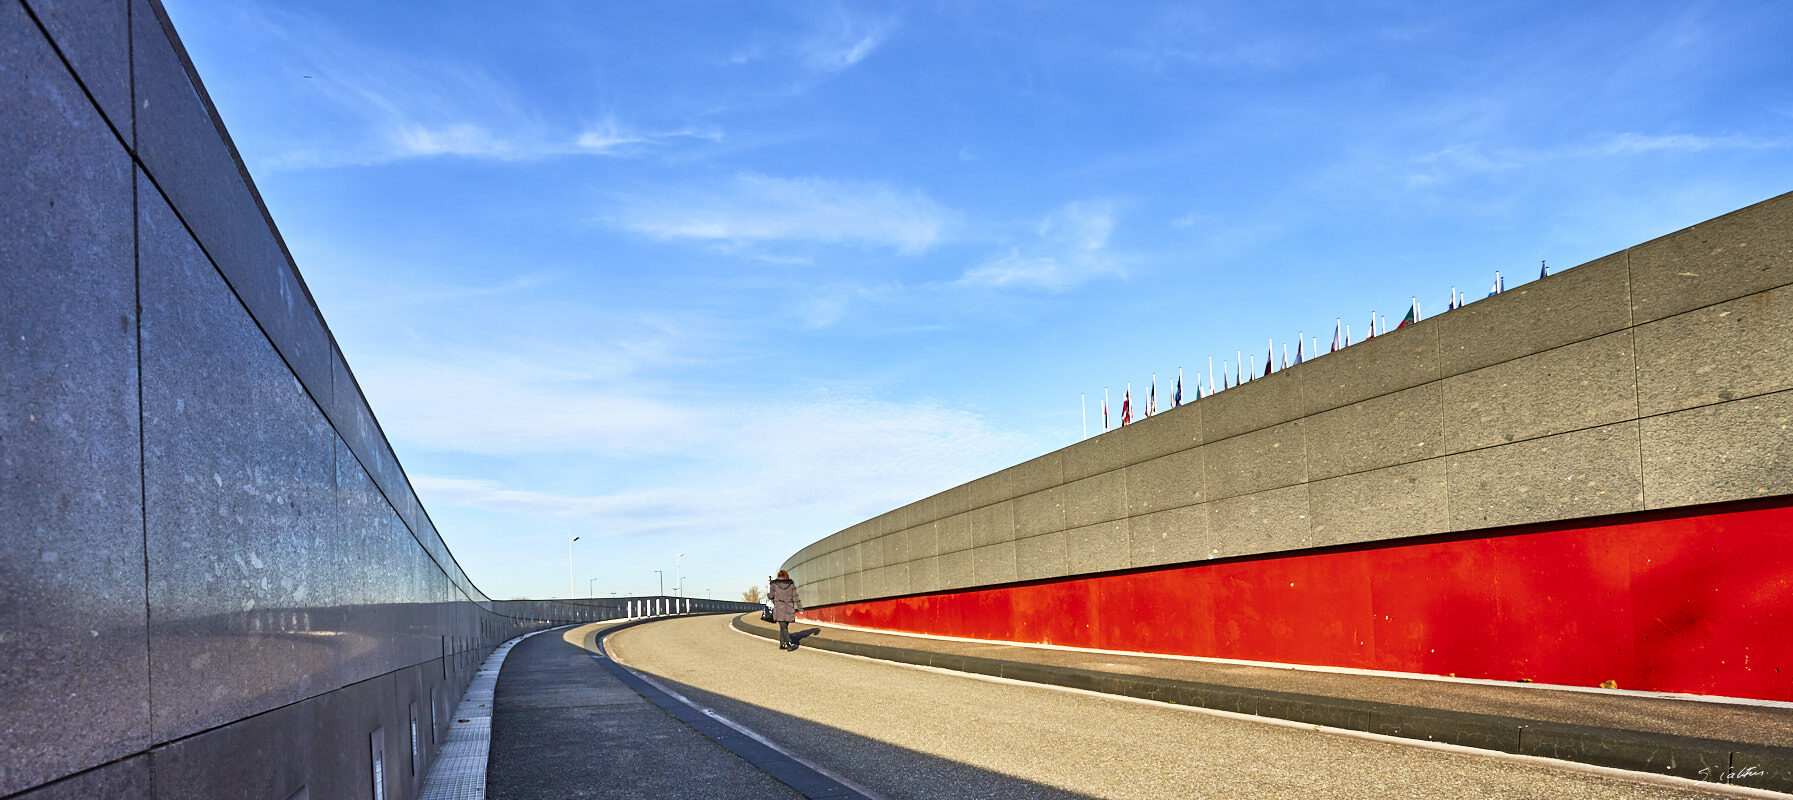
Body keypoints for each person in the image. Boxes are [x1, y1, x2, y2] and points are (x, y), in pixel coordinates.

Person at [768, 570, 803, 651]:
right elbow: (795, 597)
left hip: (779, 609)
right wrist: (800, 608)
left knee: (783, 627)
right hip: (789, 608)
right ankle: (782, 644)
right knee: (784, 627)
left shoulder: (774, 584)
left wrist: (768, 595)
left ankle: (789, 643)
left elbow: (771, 596)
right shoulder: (791, 585)